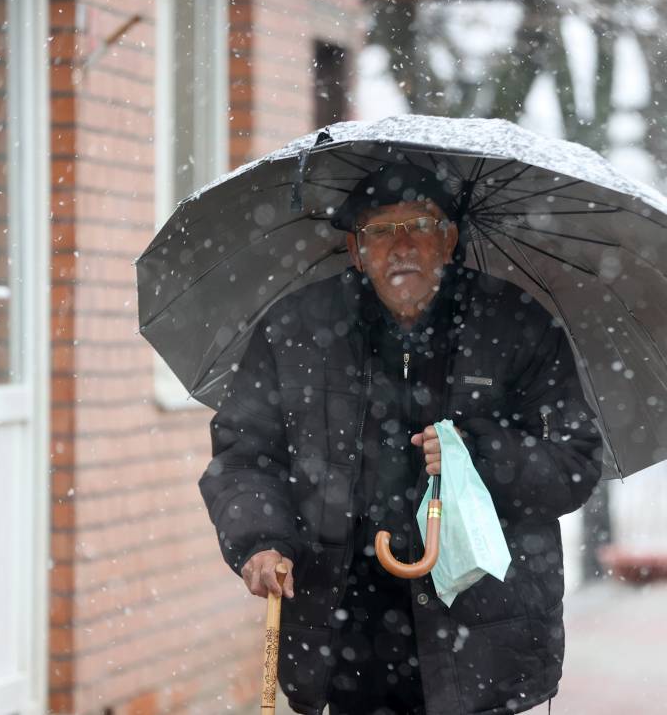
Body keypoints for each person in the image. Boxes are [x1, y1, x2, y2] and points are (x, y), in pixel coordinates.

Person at [199, 164, 603, 715]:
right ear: (356, 249)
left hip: (482, 631)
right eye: (381, 232)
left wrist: (478, 455)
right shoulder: (296, 329)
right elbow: (245, 454)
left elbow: (574, 465)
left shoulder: (516, 325)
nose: (402, 245)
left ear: (450, 239)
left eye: (419, 225)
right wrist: (260, 539)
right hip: (343, 631)